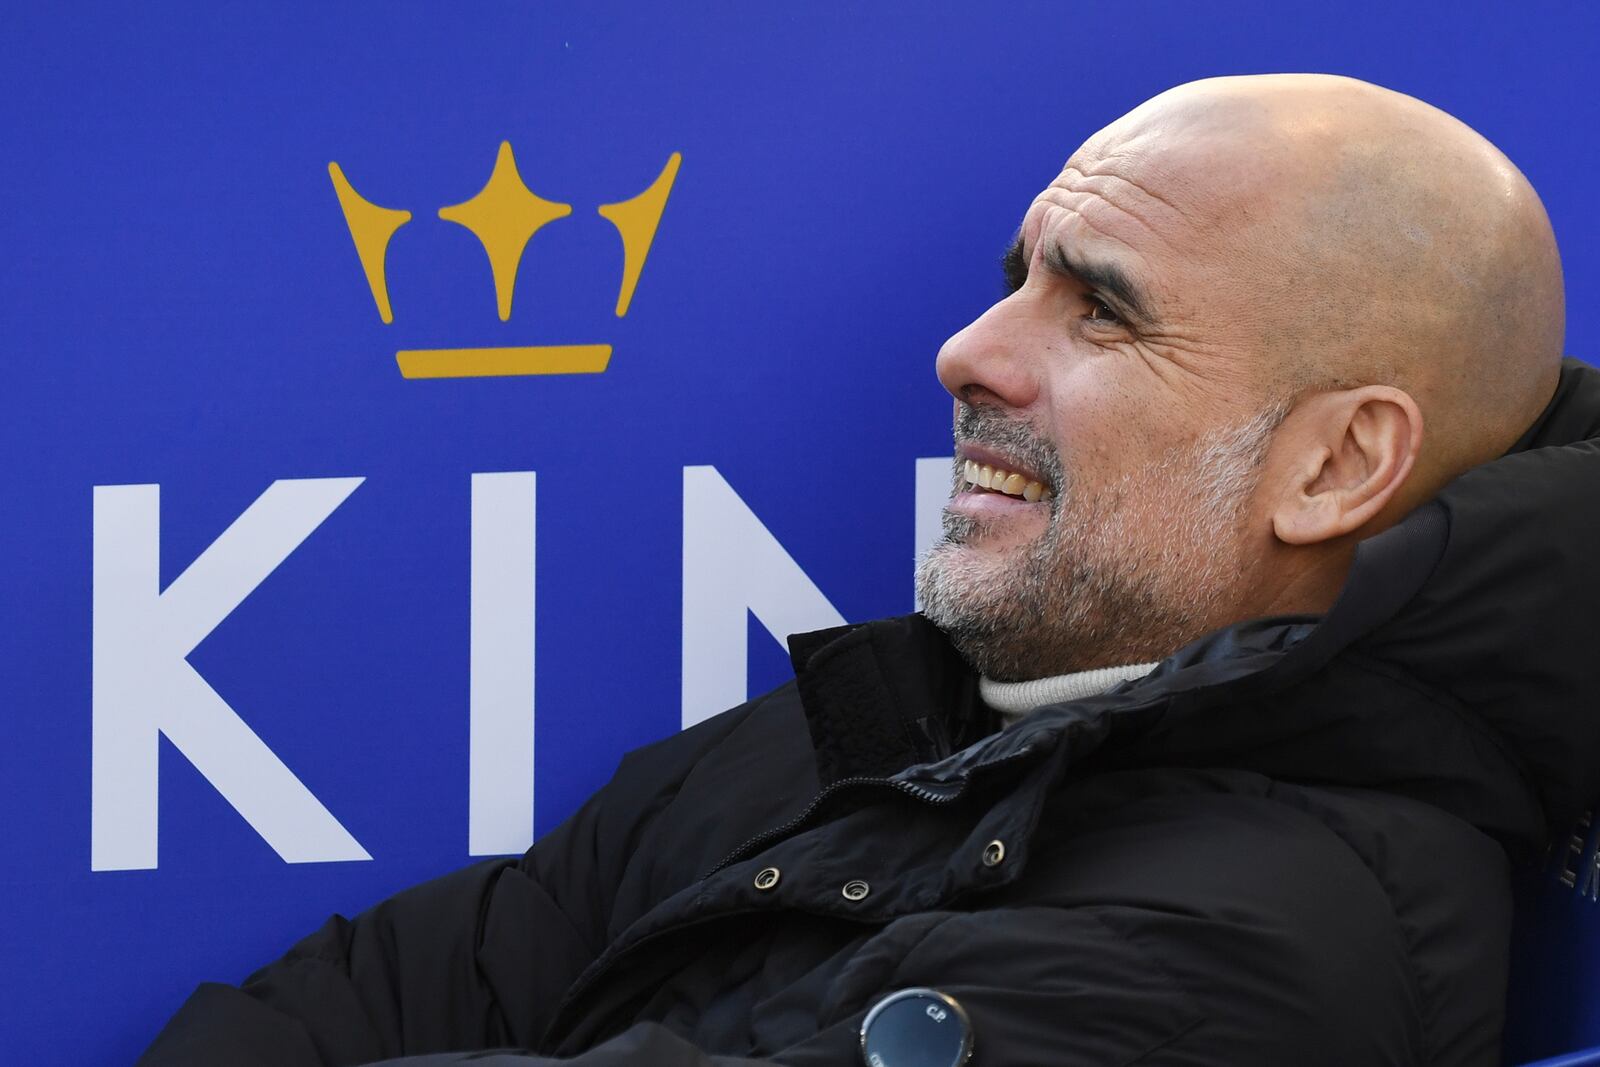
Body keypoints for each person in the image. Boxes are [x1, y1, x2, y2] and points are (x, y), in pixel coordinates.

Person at [139, 73, 1600, 1066]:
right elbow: (372, 994)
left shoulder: (1269, 938)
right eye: (1018, 271)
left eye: (1101, 312)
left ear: (1336, 467)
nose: (969, 351)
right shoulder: (877, 732)